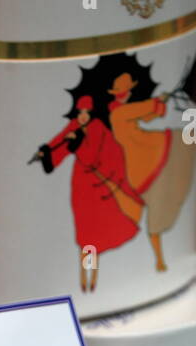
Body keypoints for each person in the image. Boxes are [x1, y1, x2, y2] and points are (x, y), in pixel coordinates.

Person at [32, 95, 141, 292]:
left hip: (97, 188)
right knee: (85, 236)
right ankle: (84, 277)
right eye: (80, 113)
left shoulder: (98, 128)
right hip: (82, 187)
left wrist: (78, 140)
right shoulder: (74, 126)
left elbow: (90, 157)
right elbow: (60, 144)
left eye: (86, 113)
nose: (82, 117)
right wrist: (46, 152)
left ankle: (92, 280)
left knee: (94, 237)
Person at [107, 71, 196, 274]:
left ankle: (159, 260)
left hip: (149, 153)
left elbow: (148, 115)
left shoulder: (125, 111)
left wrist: (159, 104)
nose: (125, 93)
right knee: (185, 140)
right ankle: (158, 260)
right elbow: (145, 109)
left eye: (127, 90)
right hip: (146, 160)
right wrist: (158, 101)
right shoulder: (118, 113)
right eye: (122, 91)